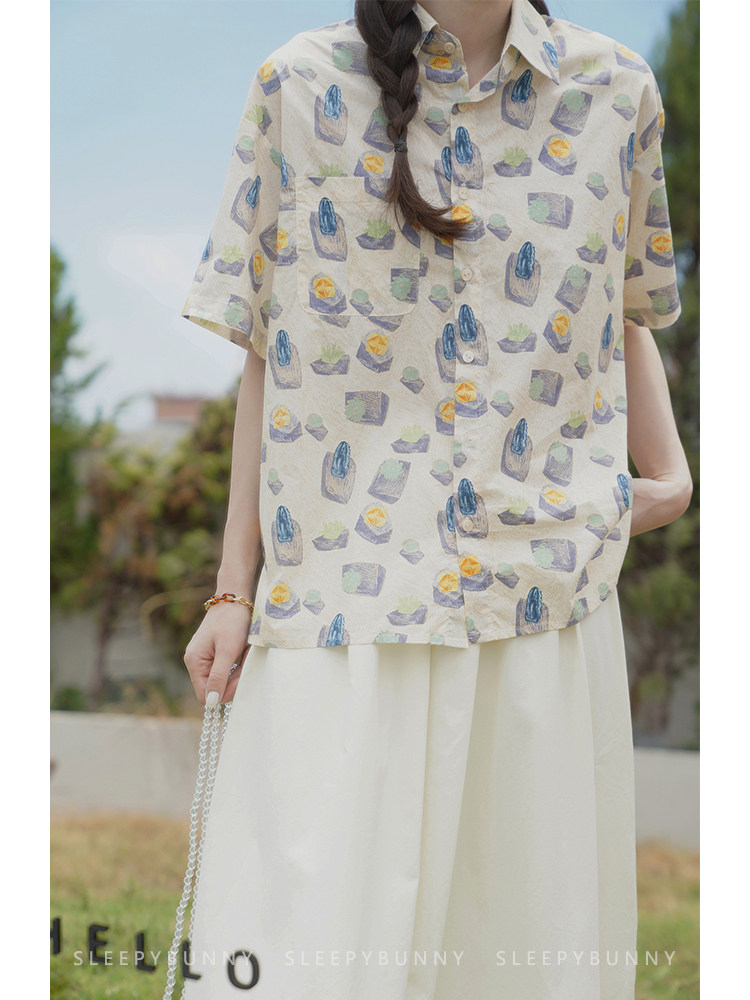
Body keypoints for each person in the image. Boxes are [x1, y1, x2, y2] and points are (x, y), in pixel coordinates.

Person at [163, 2, 693, 998]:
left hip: (538, 606)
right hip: (341, 606)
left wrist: (668, 476)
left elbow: (618, 310)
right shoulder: (298, 85)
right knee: (307, 961)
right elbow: (267, 349)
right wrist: (233, 589)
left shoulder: (616, 91)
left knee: (521, 962)